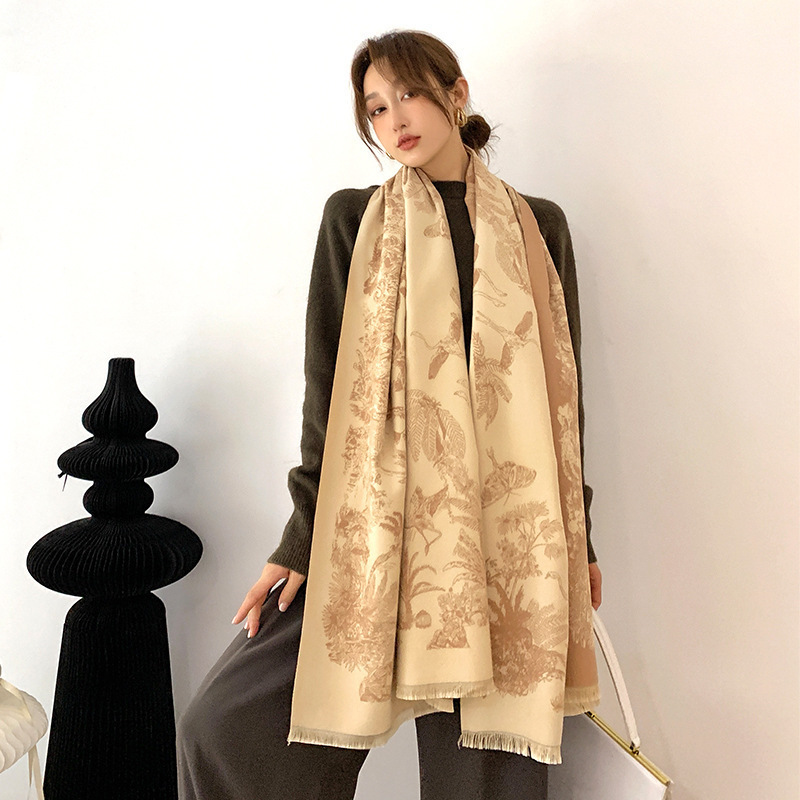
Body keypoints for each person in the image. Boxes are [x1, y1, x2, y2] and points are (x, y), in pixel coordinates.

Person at [177, 29, 602, 800]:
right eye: (375, 108)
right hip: (377, 527)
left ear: (457, 94)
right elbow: (327, 390)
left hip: (503, 532)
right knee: (226, 725)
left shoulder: (540, 227)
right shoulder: (354, 220)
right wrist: (302, 537)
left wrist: (582, 540)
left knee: (485, 775)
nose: (394, 119)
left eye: (407, 94)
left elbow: (564, 401)